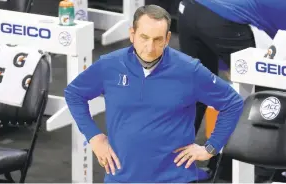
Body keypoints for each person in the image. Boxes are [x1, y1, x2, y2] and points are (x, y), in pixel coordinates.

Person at [64, 5, 243, 183]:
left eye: (158, 39)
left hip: (174, 179)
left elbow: (232, 102)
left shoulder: (189, 70)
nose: (150, 47)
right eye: (144, 38)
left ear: (168, 38)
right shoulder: (110, 65)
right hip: (121, 178)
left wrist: (210, 148)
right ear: (132, 34)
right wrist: (94, 138)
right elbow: (74, 94)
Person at [177, 0, 286, 181]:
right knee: (267, 98)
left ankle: (169, 168)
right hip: (221, 19)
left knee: (194, 91)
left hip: (189, 7)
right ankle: (259, 172)